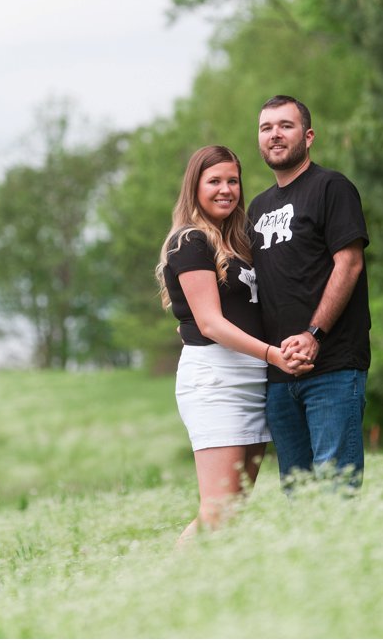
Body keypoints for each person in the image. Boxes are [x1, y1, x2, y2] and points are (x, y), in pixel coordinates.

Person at [156, 145, 310, 543]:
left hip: (252, 380)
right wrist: (273, 354)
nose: (226, 190)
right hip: (216, 381)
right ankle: (167, 589)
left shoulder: (238, 243)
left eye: (233, 181)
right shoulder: (189, 241)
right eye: (214, 182)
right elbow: (209, 323)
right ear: (195, 187)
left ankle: (206, 594)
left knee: (233, 511)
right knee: (218, 511)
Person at [248, 95, 371, 490]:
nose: (275, 135)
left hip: (332, 366)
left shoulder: (331, 187)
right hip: (280, 374)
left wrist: (313, 334)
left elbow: (349, 263)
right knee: (297, 493)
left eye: (286, 125)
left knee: (335, 488)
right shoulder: (257, 207)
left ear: (309, 135)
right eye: (266, 128)